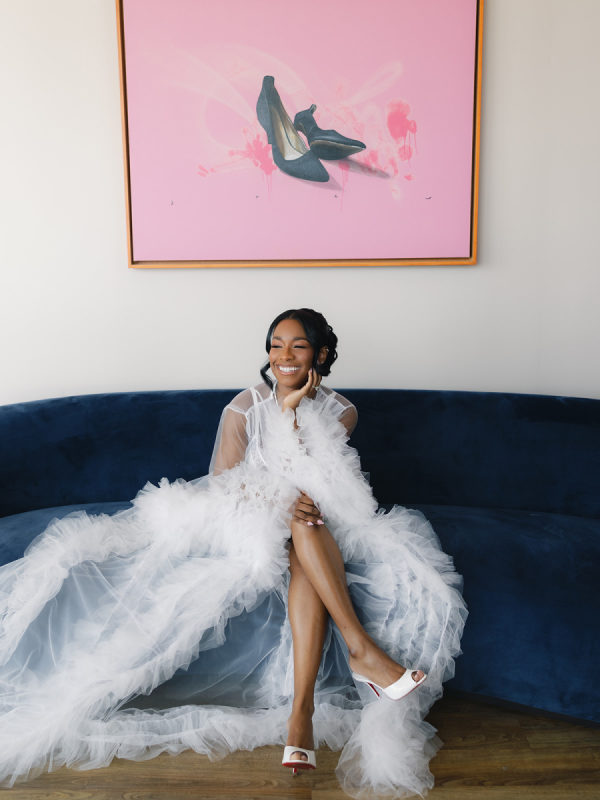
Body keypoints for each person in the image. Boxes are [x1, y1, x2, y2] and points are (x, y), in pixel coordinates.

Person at [0, 308, 467, 798]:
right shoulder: (244, 407)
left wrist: (296, 418)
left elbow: (329, 480)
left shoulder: (341, 410)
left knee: (305, 529)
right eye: (276, 344)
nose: (284, 356)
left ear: (321, 354)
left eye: (298, 345)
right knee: (300, 521)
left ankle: (302, 713)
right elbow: (224, 486)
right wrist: (281, 469)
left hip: (318, 520)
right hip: (246, 515)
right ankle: (360, 653)